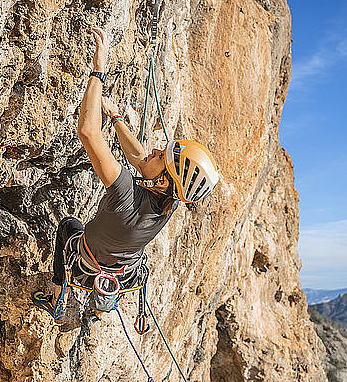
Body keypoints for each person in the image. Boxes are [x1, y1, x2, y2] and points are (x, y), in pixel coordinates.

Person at [32, 27, 219, 321]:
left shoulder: (125, 192)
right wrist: (117, 119)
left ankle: (59, 297)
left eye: (163, 156)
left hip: (86, 265)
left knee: (68, 225)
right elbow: (143, 160)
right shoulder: (171, 204)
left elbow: (88, 132)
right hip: (125, 272)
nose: (156, 149)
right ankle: (102, 300)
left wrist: (98, 71)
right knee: (134, 257)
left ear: (162, 181)